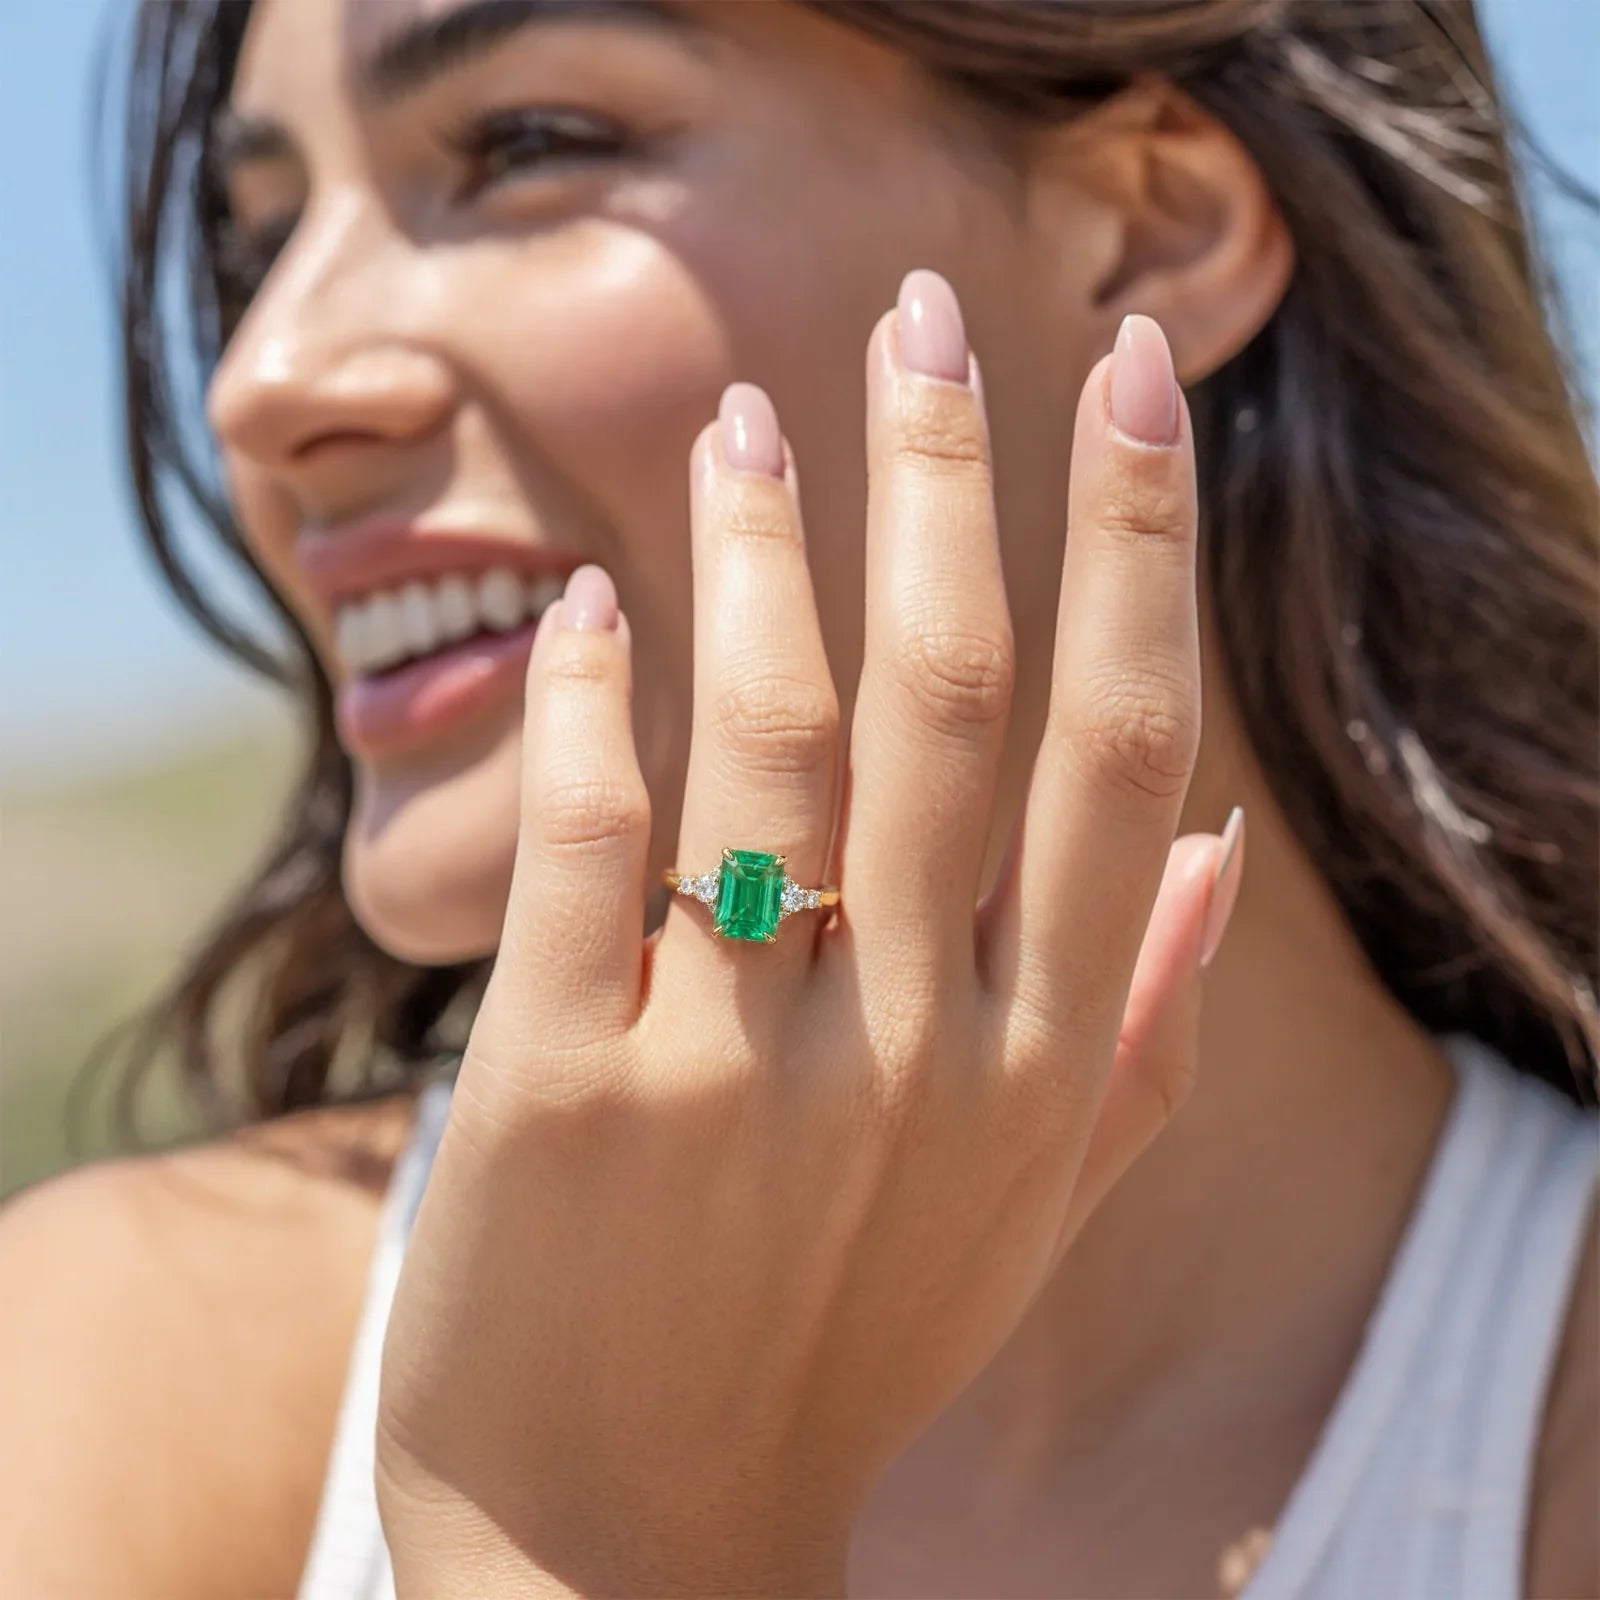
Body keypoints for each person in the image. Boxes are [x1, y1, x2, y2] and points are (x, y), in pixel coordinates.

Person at [2, 1, 1595, 1596]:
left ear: (1145, 226)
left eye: (527, 144)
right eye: (261, 239)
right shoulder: (120, 1375)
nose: (263, 382)